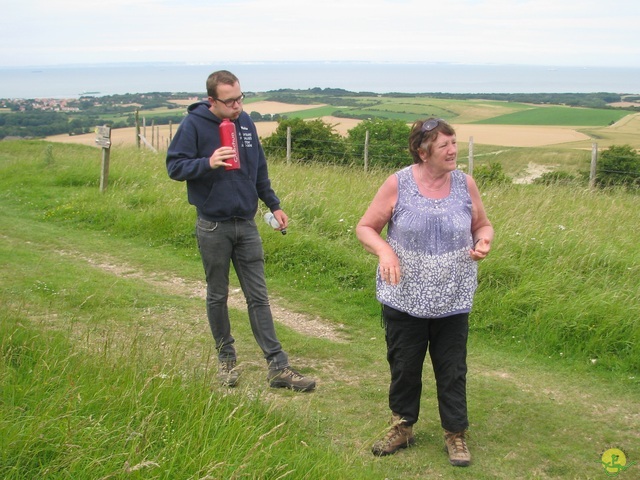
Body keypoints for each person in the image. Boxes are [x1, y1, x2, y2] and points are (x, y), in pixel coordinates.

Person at [166, 70, 316, 392]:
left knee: (258, 297)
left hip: (246, 224)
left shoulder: (245, 122)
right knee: (217, 295)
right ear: (212, 101)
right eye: (230, 101)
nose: (237, 105)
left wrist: (274, 204)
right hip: (213, 224)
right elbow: (174, 167)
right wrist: (207, 162)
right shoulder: (193, 125)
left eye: (240, 98)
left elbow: (258, 168)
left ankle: (278, 367)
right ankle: (226, 361)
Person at [355, 118, 493, 466]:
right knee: (404, 365)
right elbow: (366, 227)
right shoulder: (397, 183)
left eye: (454, 142)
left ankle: (455, 435)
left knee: (452, 368)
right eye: (444, 144)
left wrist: (484, 240)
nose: (453, 150)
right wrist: (385, 251)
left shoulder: (465, 184)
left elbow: (482, 224)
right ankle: (402, 427)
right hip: (404, 297)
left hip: (453, 297)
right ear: (423, 150)